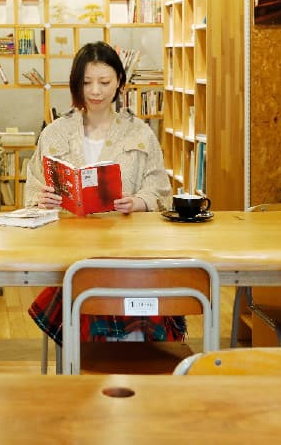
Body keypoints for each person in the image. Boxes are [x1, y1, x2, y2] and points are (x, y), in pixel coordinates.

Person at [23, 41, 183, 347]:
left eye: (104, 82)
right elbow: (32, 190)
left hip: (128, 253)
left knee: (116, 295)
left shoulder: (140, 133)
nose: (95, 91)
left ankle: (123, 353)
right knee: (83, 286)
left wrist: (138, 202)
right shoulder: (54, 133)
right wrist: (41, 199)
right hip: (70, 254)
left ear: (119, 82)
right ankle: (89, 355)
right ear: (76, 84)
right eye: (86, 83)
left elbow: (161, 191)